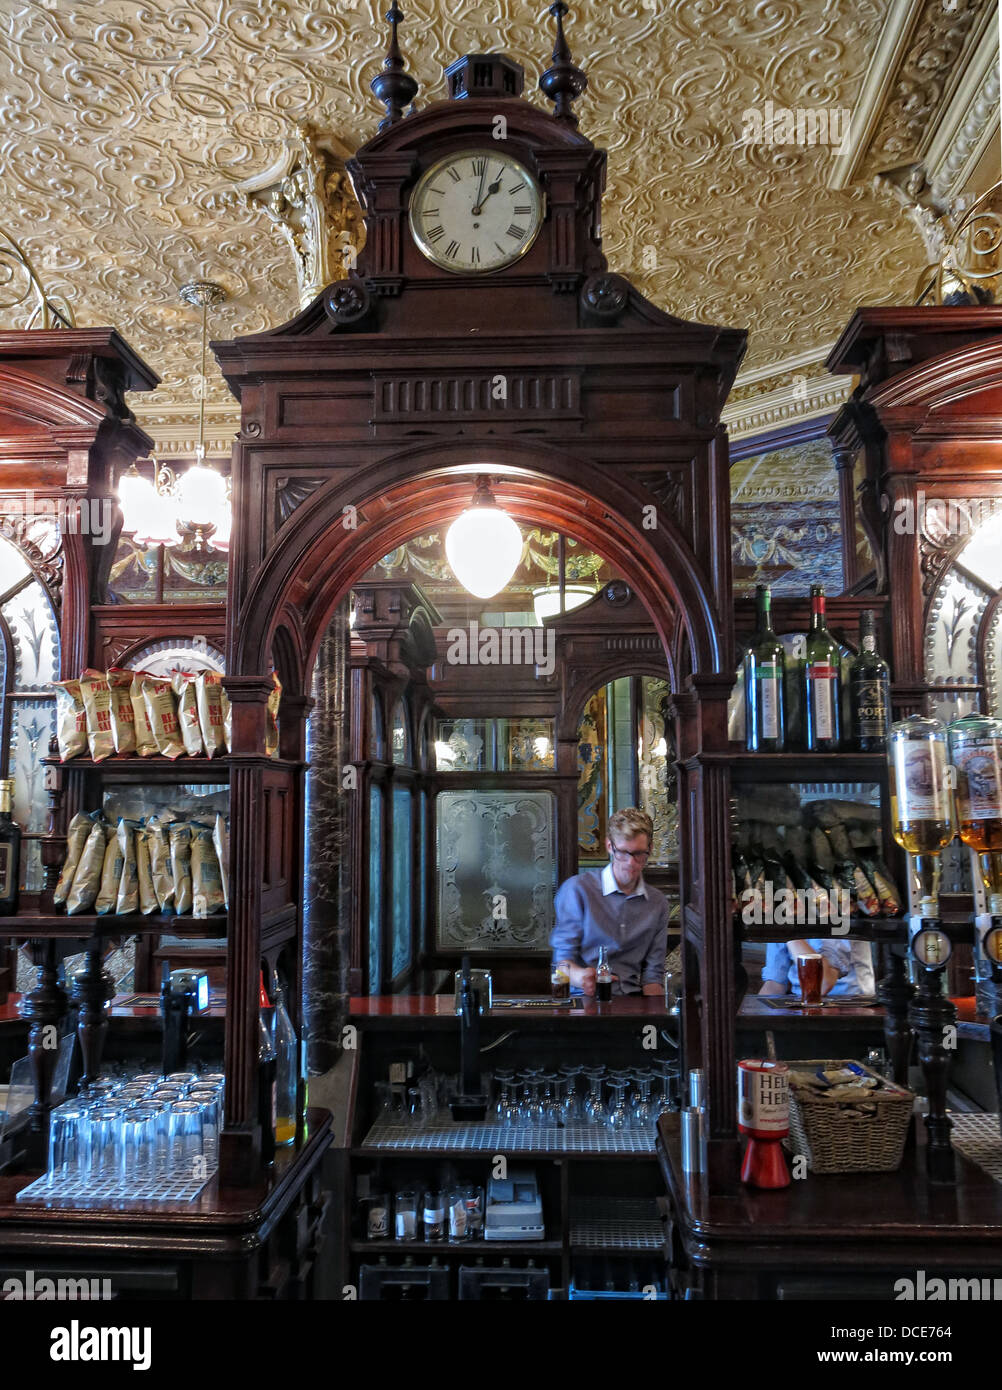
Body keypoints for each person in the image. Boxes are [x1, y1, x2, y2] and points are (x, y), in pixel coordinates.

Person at [550, 807, 669, 997]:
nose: (631, 863)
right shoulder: (577, 890)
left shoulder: (657, 903)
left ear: (650, 849)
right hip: (585, 1000)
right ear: (609, 847)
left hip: (633, 1002)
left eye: (639, 854)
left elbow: (652, 977)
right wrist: (582, 977)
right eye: (623, 852)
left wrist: (660, 1019)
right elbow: (561, 966)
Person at [758, 938, 875, 999]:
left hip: (852, 1008)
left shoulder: (837, 906)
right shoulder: (783, 913)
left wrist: (789, 933)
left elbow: (822, 985)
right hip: (801, 1005)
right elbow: (774, 986)